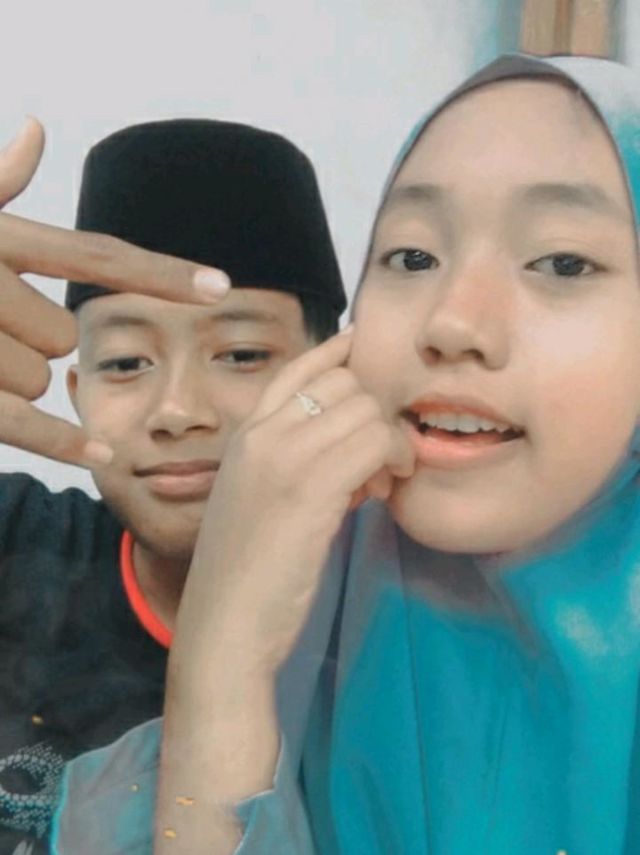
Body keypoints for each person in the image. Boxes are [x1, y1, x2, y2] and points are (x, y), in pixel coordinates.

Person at [53, 51, 640, 855]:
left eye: (563, 261)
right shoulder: (305, 643)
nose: (451, 321)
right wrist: (220, 666)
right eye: (412, 257)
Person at [0, 118, 345, 854]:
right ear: (79, 390)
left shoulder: (405, 633)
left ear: (338, 373)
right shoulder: (14, 542)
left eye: (241, 353)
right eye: (126, 362)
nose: (179, 411)